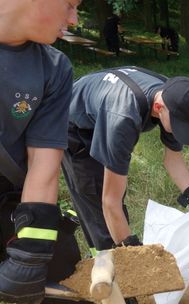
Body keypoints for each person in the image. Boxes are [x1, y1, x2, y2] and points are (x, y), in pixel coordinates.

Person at [61, 67, 189, 253]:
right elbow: (110, 202)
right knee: (97, 201)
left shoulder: (174, 97)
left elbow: (173, 160)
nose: (182, 131)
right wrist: (134, 253)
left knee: (115, 196)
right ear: (158, 108)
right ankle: (106, 261)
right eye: (180, 126)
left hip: (104, 109)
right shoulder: (123, 119)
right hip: (74, 126)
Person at [0, 0, 82, 302]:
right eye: (70, 5)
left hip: (14, 197)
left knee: (64, 277)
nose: (73, 20)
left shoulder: (54, 68)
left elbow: (44, 162)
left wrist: (30, 257)